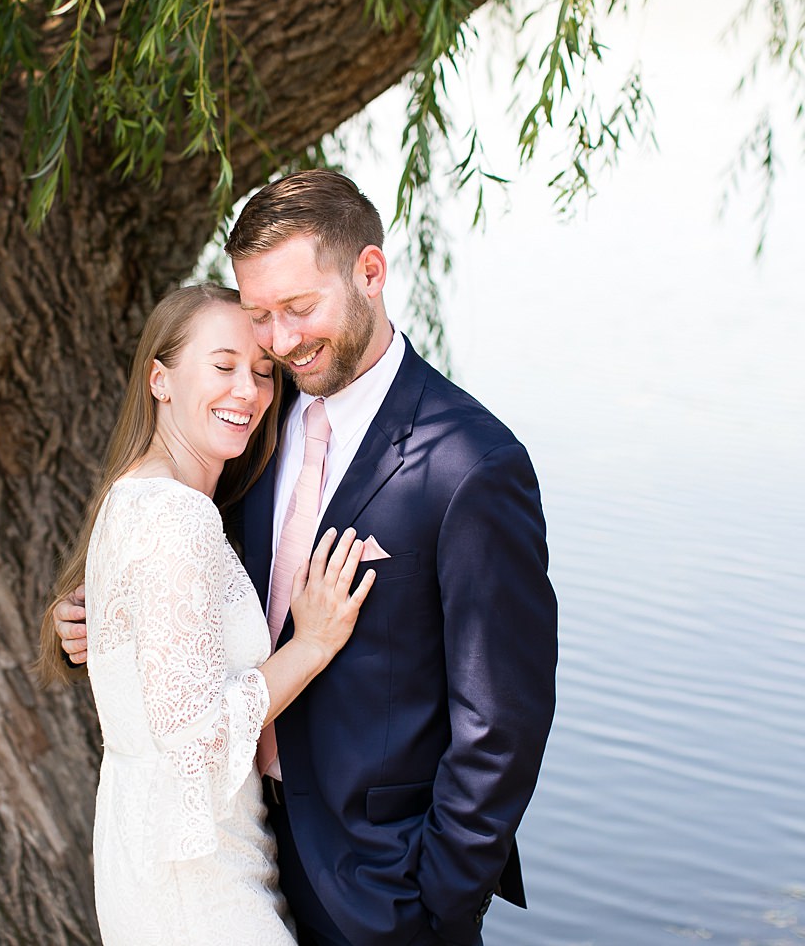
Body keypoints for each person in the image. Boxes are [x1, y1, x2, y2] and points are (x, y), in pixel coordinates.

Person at [56, 170, 557, 946]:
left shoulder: (471, 467)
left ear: (369, 273)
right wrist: (100, 624)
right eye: (260, 316)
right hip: (232, 853)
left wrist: (440, 899)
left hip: (381, 885)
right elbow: (186, 580)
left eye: (299, 308)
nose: (281, 343)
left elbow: (502, 720)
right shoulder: (254, 418)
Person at [37, 284, 376, 945]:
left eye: (262, 372)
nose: (246, 393)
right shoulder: (177, 515)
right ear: (160, 379)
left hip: (150, 850)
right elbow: (195, 742)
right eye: (222, 367)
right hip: (198, 880)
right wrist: (311, 645)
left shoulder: (134, 496)